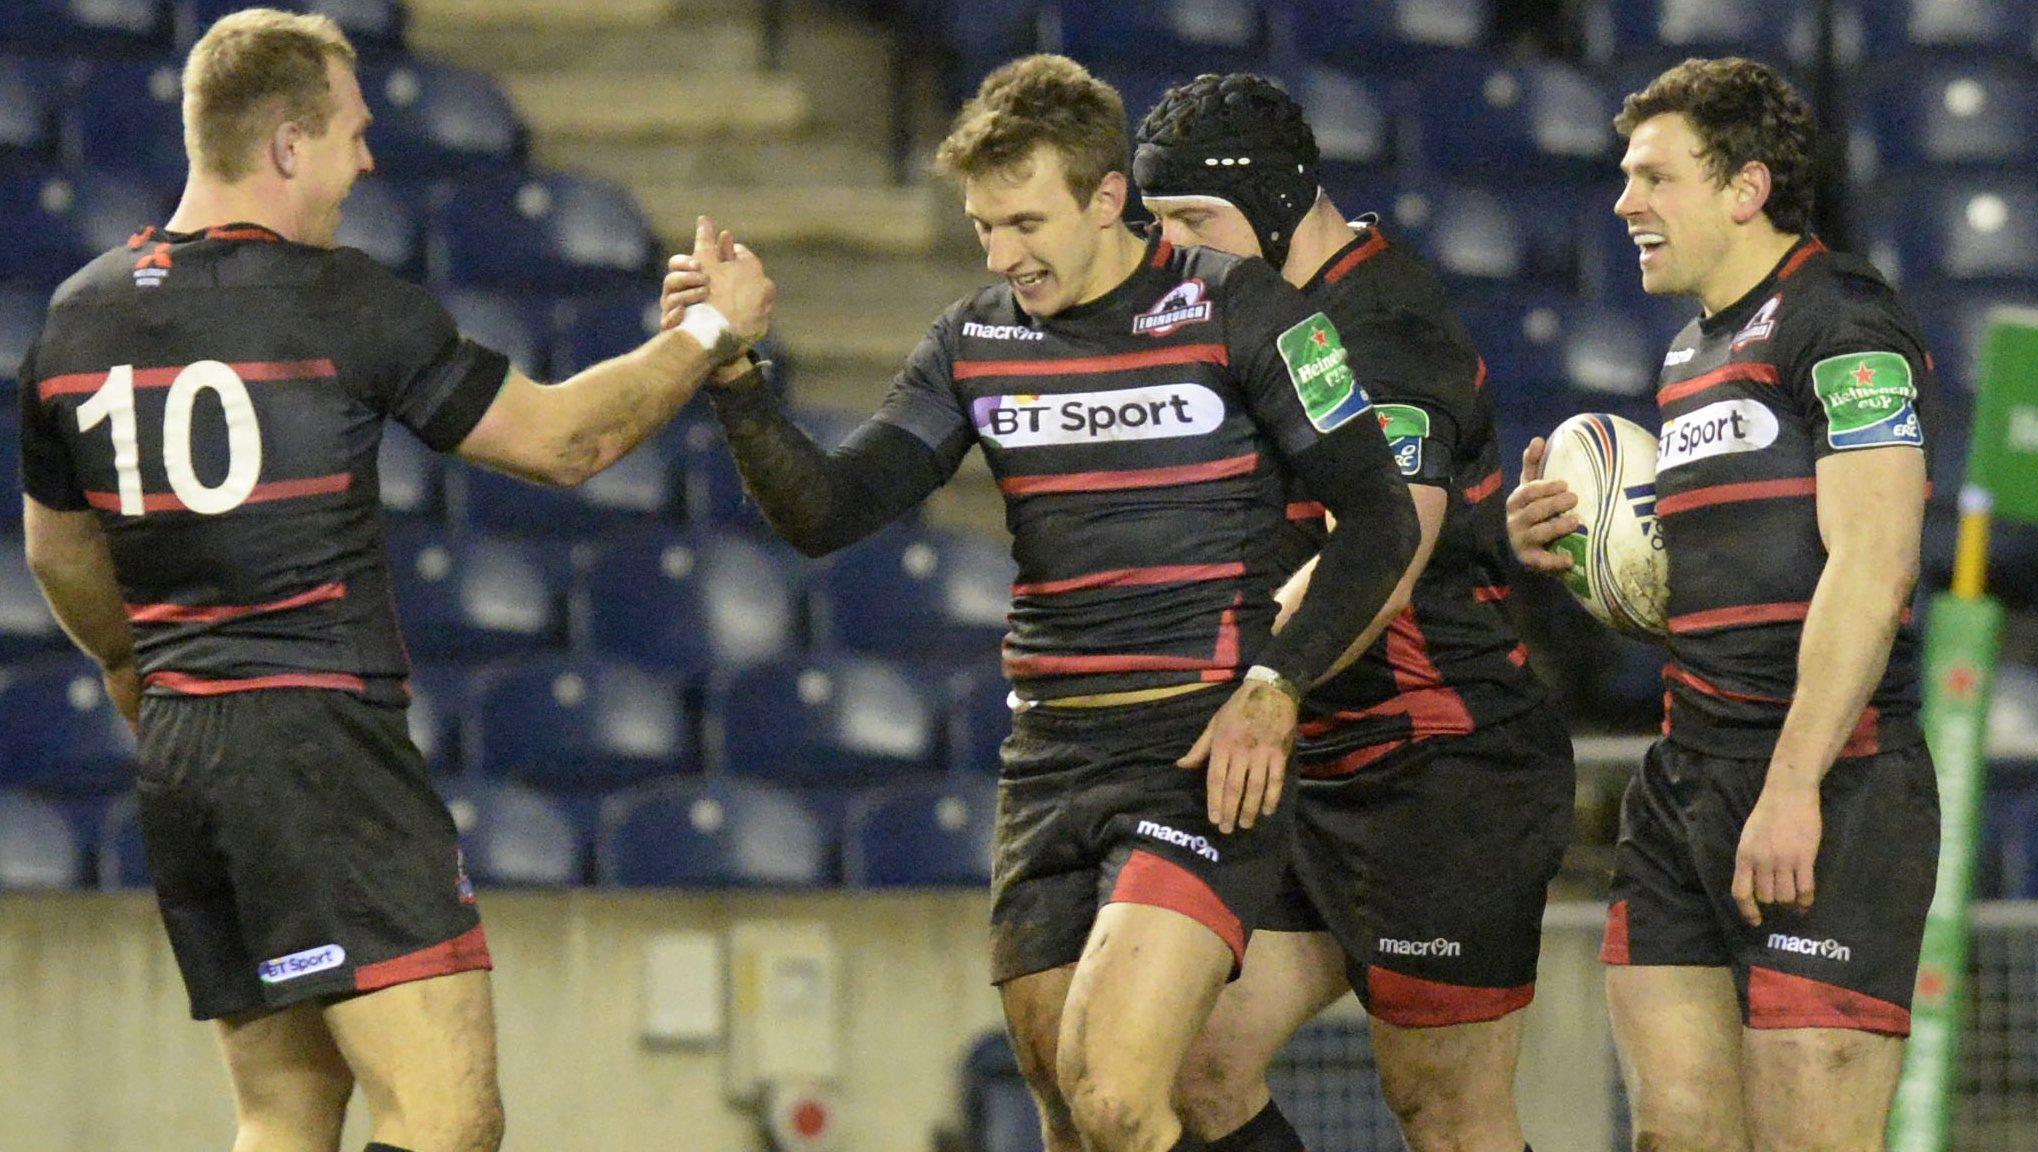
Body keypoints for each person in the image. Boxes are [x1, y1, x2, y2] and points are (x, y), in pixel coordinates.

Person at [17, 10, 772, 1152]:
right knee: (447, 1117)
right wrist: (713, 330)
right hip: (322, 751)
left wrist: (136, 664)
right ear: (285, 146)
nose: (369, 160)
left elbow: (55, 551)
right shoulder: (341, 300)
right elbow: (565, 442)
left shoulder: (76, 318)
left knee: (283, 1112)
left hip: (187, 757)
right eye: (351, 135)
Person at [662, 54, 1417, 1152]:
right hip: (1047, 763)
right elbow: (825, 512)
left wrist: (1274, 684)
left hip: (1197, 749)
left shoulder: (1238, 309)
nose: (1003, 255)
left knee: (1114, 1095)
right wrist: (732, 377)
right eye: (980, 229)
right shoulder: (974, 342)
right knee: (1073, 1117)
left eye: (1024, 222)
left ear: (1107, 197)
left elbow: (1383, 522)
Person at [1130, 74, 1574, 1152]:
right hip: (1306, 764)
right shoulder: (1255, 319)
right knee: (1193, 1066)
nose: (1173, 250)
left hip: (1438, 773)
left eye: (1193, 219)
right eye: (1159, 225)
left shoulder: (1382, 328)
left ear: (1278, 202)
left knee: (1442, 1108)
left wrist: (1244, 673)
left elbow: (1376, 555)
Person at [1506, 57, 1937, 1152]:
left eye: (1652, 176)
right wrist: (1590, 561)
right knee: (1674, 1134)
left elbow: (1872, 566)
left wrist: (1792, 784)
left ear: (1744, 188)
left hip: (1829, 787)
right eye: (1621, 176)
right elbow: (1731, 586)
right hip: (1683, 781)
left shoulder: (1840, 318)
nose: (1623, 203)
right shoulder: (1688, 353)